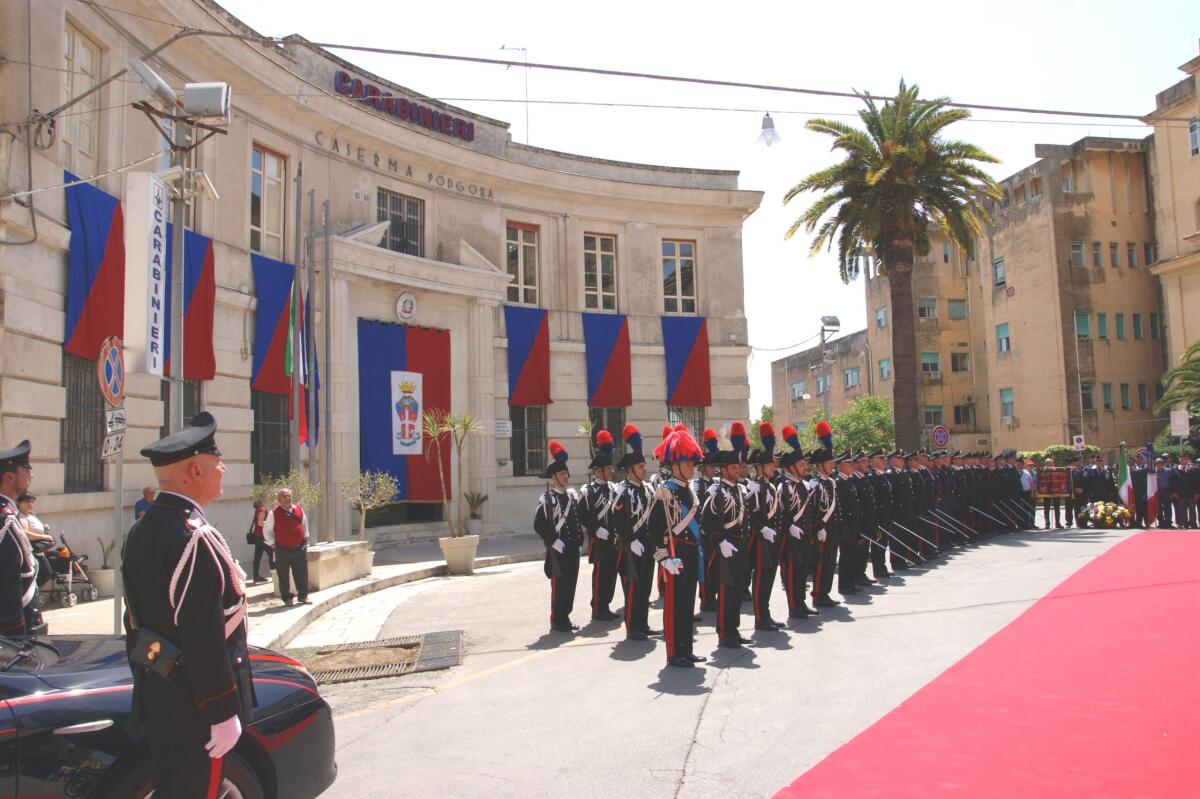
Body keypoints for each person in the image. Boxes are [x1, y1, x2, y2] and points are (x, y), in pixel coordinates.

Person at [122, 412, 252, 797]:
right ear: (196, 471)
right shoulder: (193, 537)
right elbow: (203, 634)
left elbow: (137, 622)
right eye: (217, 462)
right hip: (197, 706)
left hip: (161, 694)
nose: (223, 468)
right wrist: (221, 710)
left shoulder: (141, 531)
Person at [648, 427, 707, 667]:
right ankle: (674, 652)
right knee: (674, 606)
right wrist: (664, 559)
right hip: (675, 555)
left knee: (688, 604)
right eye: (688, 464)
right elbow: (653, 531)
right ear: (675, 467)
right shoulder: (665, 493)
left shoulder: (690, 493)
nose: (693, 468)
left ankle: (687, 649)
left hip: (692, 553)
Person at [701, 434, 751, 648]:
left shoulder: (740, 489)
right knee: (726, 590)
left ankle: (734, 628)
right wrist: (720, 541)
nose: (737, 470)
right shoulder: (715, 491)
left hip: (740, 545)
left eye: (738, 467)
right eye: (733, 467)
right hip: (724, 547)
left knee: (738, 589)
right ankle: (724, 631)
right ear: (724, 469)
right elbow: (706, 521)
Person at [610, 426, 658, 640]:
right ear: (630, 470)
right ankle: (632, 626)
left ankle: (643, 623)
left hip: (648, 546)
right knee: (633, 589)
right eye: (640, 467)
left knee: (646, 588)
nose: (644, 470)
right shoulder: (623, 491)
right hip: (631, 547)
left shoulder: (648, 489)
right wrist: (630, 540)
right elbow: (617, 520)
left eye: (644, 466)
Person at [533, 441, 584, 633]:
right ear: (553, 477)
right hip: (557, 549)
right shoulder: (546, 499)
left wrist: (579, 540)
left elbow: (576, 521)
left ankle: (566, 617)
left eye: (566, 473)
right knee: (560, 585)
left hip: (572, 547)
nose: (566, 476)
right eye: (562, 474)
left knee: (571, 584)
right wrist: (553, 541)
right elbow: (538, 524)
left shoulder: (571, 496)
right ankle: (557, 619)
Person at [1, 440, 43, 637]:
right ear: (10, 476)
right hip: (14, 627)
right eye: (26, 469)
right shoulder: (5, 519)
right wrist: (16, 635)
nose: (31, 474)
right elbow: (8, 580)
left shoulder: (9, 513)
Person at [745, 423, 783, 631]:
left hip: (771, 540)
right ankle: (760, 618)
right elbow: (749, 516)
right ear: (760, 468)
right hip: (759, 542)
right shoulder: (752, 488)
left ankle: (766, 614)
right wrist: (762, 529)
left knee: (769, 578)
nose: (772, 468)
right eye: (769, 465)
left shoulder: (770, 486)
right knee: (760, 578)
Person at [578, 430, 619, 622]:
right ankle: (597, 607)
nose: (612, 471)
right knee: (601, 574)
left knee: (611, 574)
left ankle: (606, 605)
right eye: (609, 468)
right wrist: (595, 529)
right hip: (599, 539)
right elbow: (582, 514)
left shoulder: (613, 488)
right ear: (598, 471)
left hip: (613, 538)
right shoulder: (589, 491)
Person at [263, 487, 311, 605]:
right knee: (283, 574)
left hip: (299, 548)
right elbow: (267, 530)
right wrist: (272, 544)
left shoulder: (299, 510)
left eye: (289, 495)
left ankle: (303, 596)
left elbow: (304, 525)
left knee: (302, 573)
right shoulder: (273, 513)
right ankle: (287, 598)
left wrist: (305, 540)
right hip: (282, 549)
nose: (287, 498)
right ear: (279, 499)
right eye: (284, 496)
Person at [17, 493, 54, 590]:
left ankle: (33, 593)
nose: (30, 505)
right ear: (19, 503)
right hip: (31, 553)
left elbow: (34, 528)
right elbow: (26, 534)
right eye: (27, 502)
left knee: (46, 574)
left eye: (32, 502)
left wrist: (44, 527)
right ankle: (30, 594)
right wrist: (45, 537)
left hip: (40, 553)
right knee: (41, 574)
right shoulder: (21, 517)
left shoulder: (31, 515)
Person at [247, 501, 272, 583]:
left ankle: (256, 576)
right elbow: (260, 523)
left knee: (257, 557)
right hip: (262, 536)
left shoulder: (259, 509)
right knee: (272, 554)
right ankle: (275, 573)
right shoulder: (262, 509)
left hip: (258, 536)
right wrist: (270, 524)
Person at [1176, 454, 1198, 529]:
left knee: (1192, 510)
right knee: (1182, 510)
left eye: (1185, 459)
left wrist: (1197, 493)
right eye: (1182, 459)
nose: (1184, 460)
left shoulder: (1194, 469)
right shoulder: (1176, 469)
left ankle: (1193, 524)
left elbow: (1197, 482)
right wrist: (1174, 492)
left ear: (1188, 460)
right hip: (1180, 494)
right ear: (1179, 460)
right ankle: (1184, 524)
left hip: (1192, 494)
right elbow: (1173, 482)